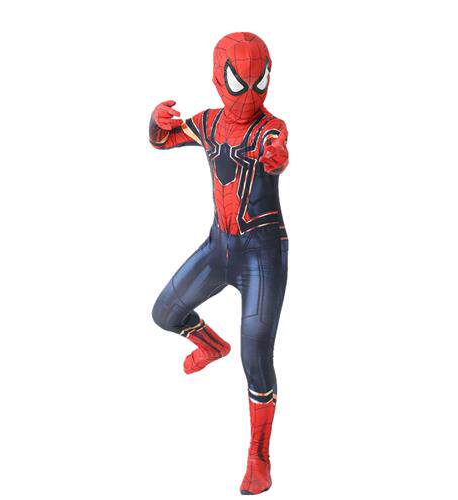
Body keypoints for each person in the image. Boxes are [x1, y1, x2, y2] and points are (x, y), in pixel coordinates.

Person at [149, 32, 289, 495]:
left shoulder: (269, 128)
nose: (249, 94)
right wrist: (155, 120)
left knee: (256, 357)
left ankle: (259, 455)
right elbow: (162, 140)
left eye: (258, 82)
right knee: (165, 313)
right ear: (217, 79)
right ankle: (211, 345)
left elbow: (277, 149)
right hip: (219, 247)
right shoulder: (208, 123)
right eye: (237, 82)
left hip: (262, 254)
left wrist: (275, 158)